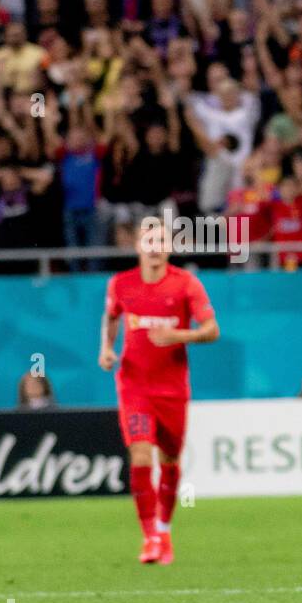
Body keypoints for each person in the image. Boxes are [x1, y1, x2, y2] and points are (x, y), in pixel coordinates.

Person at [98, 219, 220, 564]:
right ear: (138, 245)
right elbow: (111, 317)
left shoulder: (186, 284)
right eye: (149, 240)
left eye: (162, 240)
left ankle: (165, 530)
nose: (155, 246)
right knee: (140, 455)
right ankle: (150, 536)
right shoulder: (120, 284)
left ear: (169, 247)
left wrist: (181, 335)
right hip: (134, 384)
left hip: (172, 389)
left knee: (169, 461)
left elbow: (212, 330)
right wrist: (106, 349)